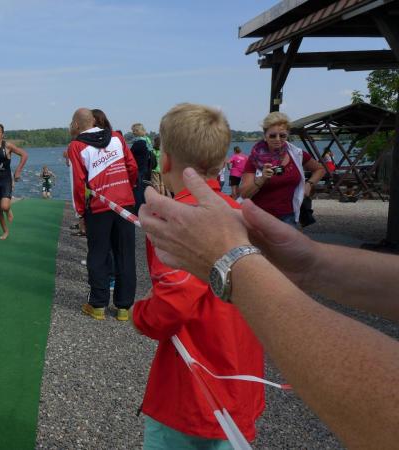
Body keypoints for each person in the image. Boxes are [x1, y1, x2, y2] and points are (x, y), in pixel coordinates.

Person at [138, 168, 399, 450]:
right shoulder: (230, 210)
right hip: (233, 390)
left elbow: (171, 303)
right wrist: (312, 262)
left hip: (193, 399)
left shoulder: (189, 219)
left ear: (167, 160)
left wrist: (239, 268)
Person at [132, 103, 264, 448]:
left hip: (193, 390)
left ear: (164, 161)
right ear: (222, 162)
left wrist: (138, 313)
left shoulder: (179, 222)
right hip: (240, 378)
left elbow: (170, 307)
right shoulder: (243, 215)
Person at [66, 108, 138, 321]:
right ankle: (124, 307)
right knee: (125, 254)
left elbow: (77, 184)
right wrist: (127, 187)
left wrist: (80, 214)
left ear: (76, 125)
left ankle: (98, 305)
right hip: (124, 203)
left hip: (98, 207)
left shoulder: (76, 146)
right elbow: (132, 167)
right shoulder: (116, 137)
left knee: (98, 254)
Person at [238, 112, 325, 225]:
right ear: (265, 136)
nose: (278, 139)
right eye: (272, 135)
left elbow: (320, 169)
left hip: (289, 216)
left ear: (287, 135)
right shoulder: (254, 159)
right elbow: (244, 194)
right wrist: (262, 179)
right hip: (259, 217)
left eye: (282, 135)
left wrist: (309, 184)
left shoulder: (297, 154)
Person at [130, 123, 154, 214]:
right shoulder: (147, 142)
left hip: (138, 170)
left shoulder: (138, 143)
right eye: (133, 131)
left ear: (138, 131)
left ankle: (139, 210)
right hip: (145, 169)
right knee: (144, 189)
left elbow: (129, 155)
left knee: (137, 190)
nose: (133, 132)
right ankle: (146, 208)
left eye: (135, 130)